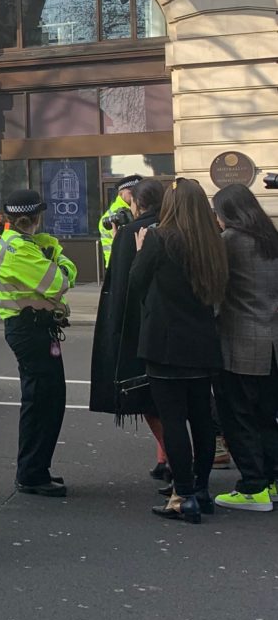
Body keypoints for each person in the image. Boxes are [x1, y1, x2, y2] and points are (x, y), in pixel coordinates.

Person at [128, 179, 226, 523]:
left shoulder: (159, 237)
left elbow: (136, 283)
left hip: (166, 344)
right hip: (204, 343)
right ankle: (200, 489)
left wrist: (141, 253)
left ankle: (181, 494)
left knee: (173, 420)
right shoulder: (213, 241)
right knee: (201, 420)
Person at [0, 190, 76, 498]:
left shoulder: (23, 245)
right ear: (36, 218)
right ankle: (31, 473)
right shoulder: (20, 249)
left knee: (46, 400)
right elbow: (61, 280)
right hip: (30, 329)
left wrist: (52, 257)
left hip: (35, 328)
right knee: (43, 401)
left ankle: (36, 468)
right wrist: (56, 257)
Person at [88, 178, 169, 472]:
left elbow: (123, 286)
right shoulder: (180, 228)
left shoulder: (134, 233)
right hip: (182, 328)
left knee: (149, 397)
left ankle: (171, 461)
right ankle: (166, 457)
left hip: (141, 327)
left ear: (138, 203)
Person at [209, 182, 278, 512]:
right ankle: (273, 479)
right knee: (267, 417)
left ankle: (253, 487)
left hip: (239, 343)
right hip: (272, 343)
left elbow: (215, 291)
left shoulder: (230, 241)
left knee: (238, 417)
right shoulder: (271, 238)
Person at [98, 174, 141, 270]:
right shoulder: (117, 214)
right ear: (121, 193)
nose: (135, 195)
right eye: (131, 192)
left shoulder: (132, 210)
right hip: (117, 265)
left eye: (137, 192)